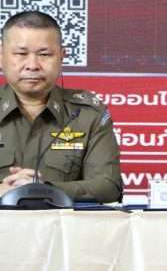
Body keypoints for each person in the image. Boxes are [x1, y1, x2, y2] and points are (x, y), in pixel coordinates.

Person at [0, 11, 122, 203]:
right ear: (1, 55)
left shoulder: (87, 114)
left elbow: (108, 186)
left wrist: (44, 189)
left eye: (44, 54)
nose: (32, 65)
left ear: (61, 56)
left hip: (62, 222)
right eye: (21, 54)